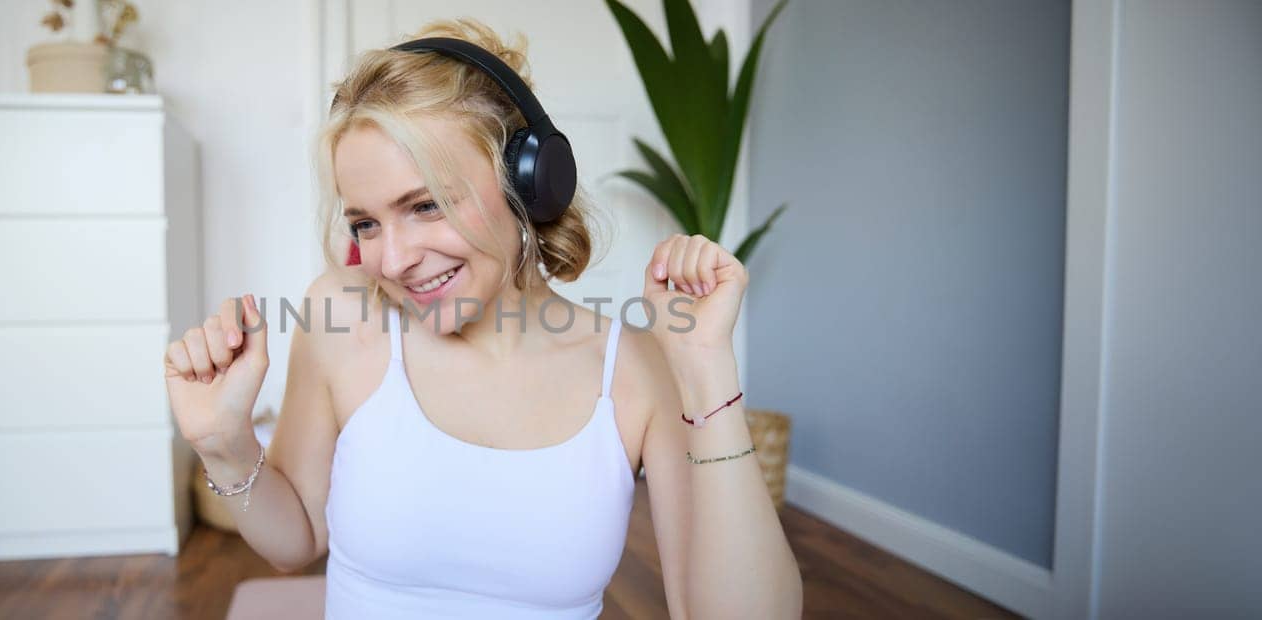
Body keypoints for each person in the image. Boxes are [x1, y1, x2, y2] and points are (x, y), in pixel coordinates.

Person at [163, 18, 800, 619]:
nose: (394, 258)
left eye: (427, 205)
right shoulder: (342, 313)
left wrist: (707, 371)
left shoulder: (633, 368)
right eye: (366, 223)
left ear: (527, 182)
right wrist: (225, 446)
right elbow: (294, 541)